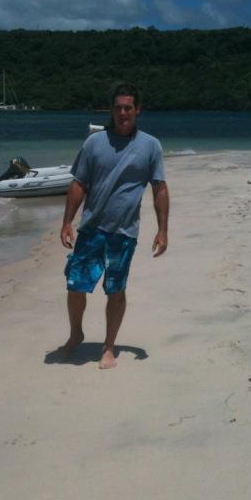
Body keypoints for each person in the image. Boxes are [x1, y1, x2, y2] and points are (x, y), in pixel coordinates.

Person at [60, 81, 169, 369]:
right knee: (75, 285)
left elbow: (159, 188)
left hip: (123, 233)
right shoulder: (94, 143)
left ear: (137, 110)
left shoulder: (151, 146)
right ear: (112, 109)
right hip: (92, 229)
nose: (123, 113)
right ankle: (76, 334)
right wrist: (67, 222)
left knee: (115, 290)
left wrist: (162, 229)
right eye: (118, 108)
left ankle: (109, 346)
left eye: (128, 108)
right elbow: (79, 183)